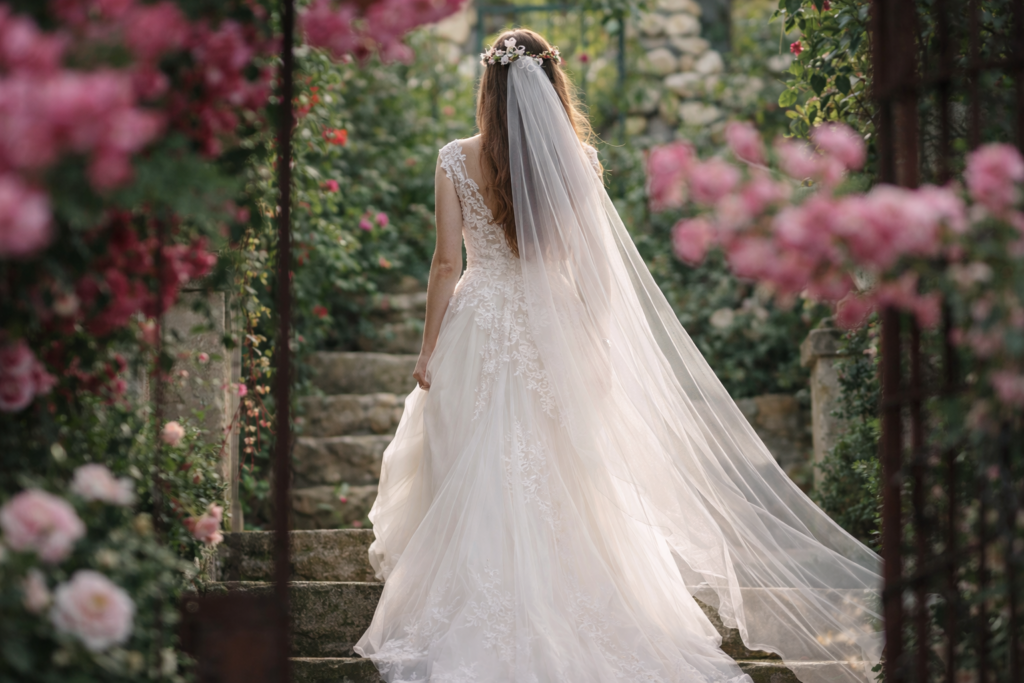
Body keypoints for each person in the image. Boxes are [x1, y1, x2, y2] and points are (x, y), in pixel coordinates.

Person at [354, 28, 882, 683]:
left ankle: (478, 599)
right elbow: (596, 271)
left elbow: (443, 263)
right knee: (565, 469)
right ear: (551, 86)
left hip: (478, 322)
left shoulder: (454, 159)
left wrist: (428, 348)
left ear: (487, 87)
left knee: (477, 457)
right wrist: (595, 343)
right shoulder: (578, 161)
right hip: (554, 326)